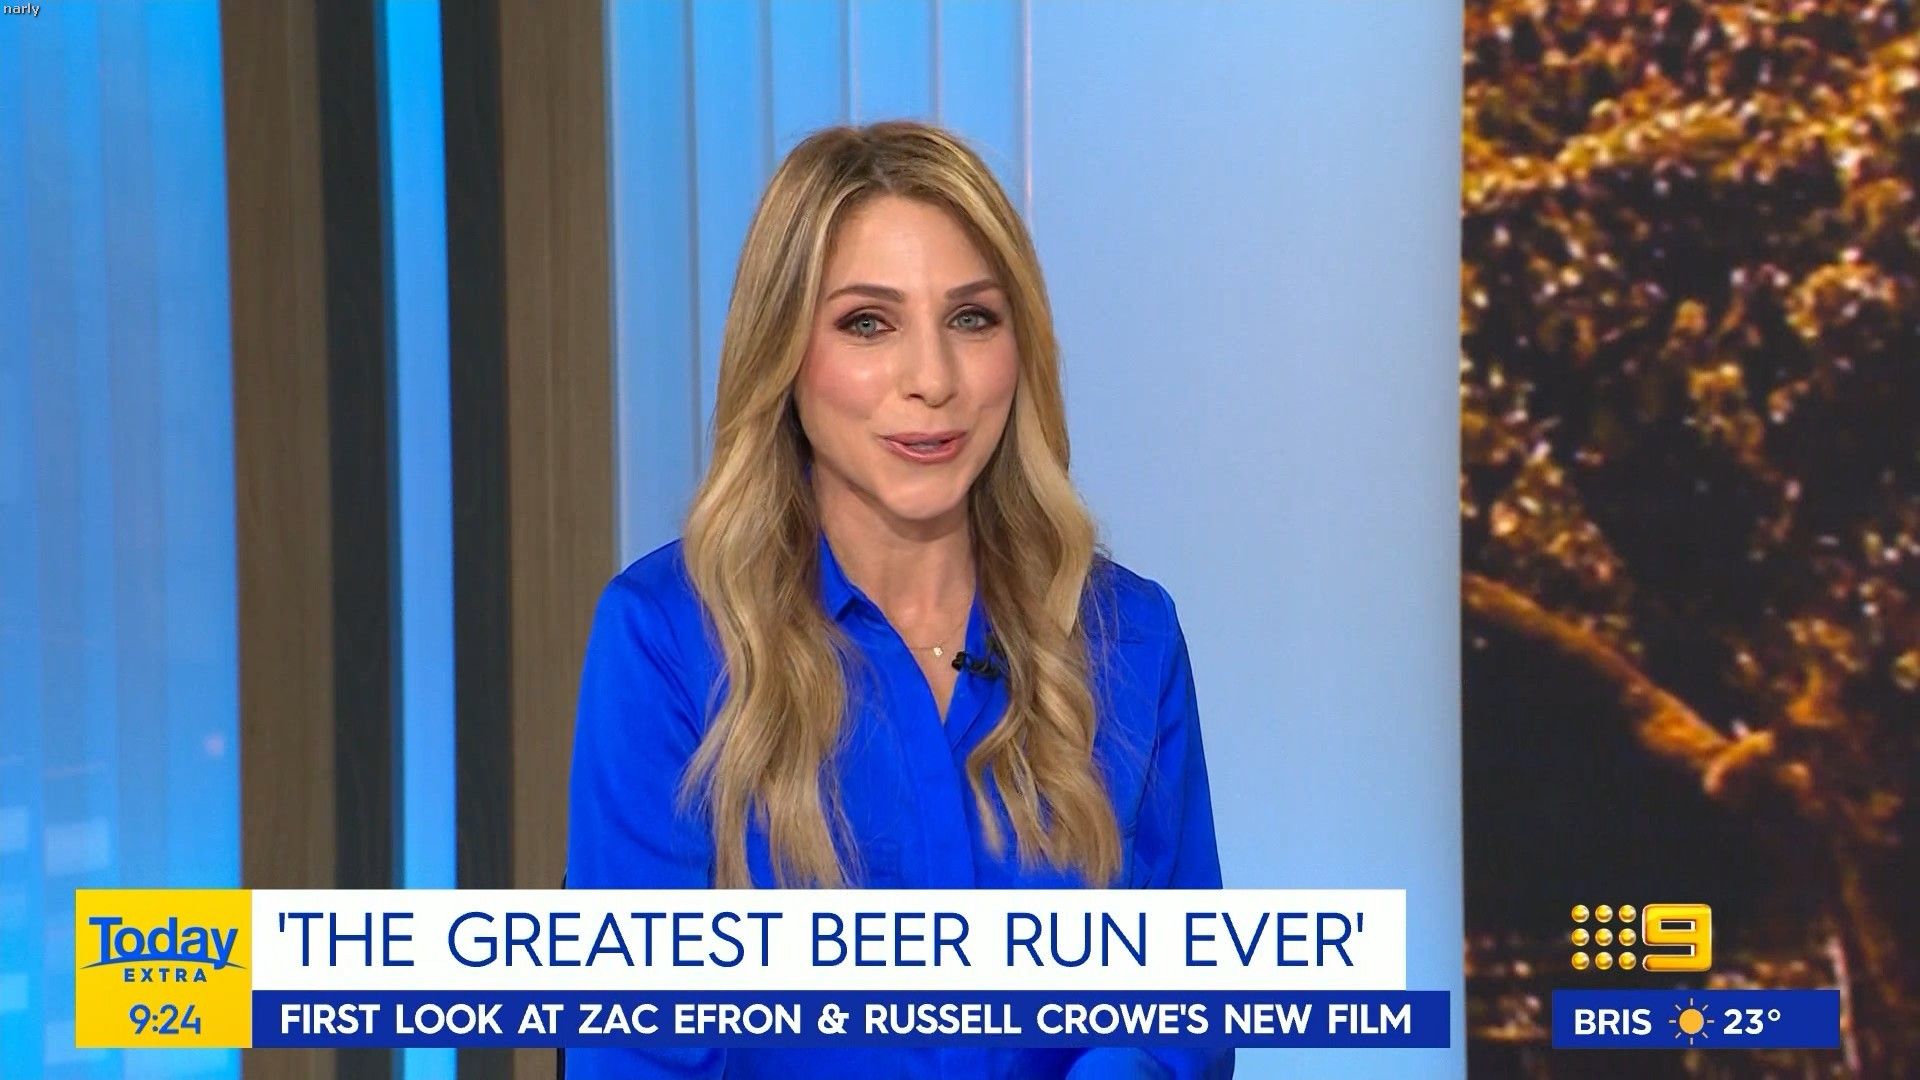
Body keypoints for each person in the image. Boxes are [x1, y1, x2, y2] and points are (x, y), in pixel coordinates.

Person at [566, 120, 1230, 1079]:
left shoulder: (1129, 637)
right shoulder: (666, 639)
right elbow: (640, 1050)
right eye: (868, 323)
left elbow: (1179, 1018)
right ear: (784, 351)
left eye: (972, 319)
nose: (933, 381)